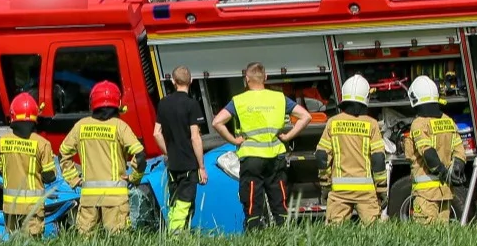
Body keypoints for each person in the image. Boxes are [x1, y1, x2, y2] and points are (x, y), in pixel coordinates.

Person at [211, 62, 312, 229]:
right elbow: (306, 117)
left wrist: (233, 140)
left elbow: (217, 122)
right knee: (279, 199)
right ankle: (285, 232)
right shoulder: (279, 98)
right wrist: (287, 136)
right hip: (275, 158)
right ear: (265, 77)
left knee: (252, 200)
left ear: (246, 79)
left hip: (251, 158)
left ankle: (255, 232)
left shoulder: (239, 100)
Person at [59, 80, 146, 235]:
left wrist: (74, 179)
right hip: (116, 200)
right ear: (117, 103)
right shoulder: (119, 126)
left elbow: (63, 153)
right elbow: (139, 154)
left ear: (92, 102)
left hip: (88, 200)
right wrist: (134, 177)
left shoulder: (81, 126)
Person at [316, 74, 387, 225]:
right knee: (375, 235)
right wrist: (382, 189)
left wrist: (325, 184)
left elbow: (322, 156)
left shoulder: (332, 123)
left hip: (339, 191)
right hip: (366, 191)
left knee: (334, 236)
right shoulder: (372, 124)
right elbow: (378, 159)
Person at [406, 75, 468, 224]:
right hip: (445, 194)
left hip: (425, 196)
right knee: (440, 240)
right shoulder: (448, 121)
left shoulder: (419, 123)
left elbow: (427, 153)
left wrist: (443, 172)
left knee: (425, 241)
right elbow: (460, 152)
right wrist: (455, 172)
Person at [0, 92, 57, 239]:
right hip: (33, 209)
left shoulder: (2, 142)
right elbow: (50, 176)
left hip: (10, 207)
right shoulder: (42, 144)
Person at [153, 66, 206, 233]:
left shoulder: (163, 103)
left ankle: (178, 233)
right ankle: (176, 235)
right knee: (185, 201)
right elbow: (195, 137)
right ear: (191, 81)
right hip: (189, 163)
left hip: (173, 164)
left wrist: (169, 153)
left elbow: (156, 133)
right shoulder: (192, 104)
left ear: (172, 81)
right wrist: (202, 167)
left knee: (175, 201)